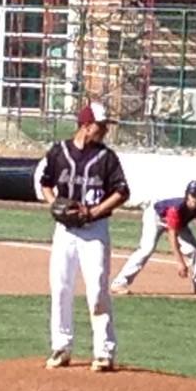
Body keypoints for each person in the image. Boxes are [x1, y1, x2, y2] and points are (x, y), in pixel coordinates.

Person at [39, 101, 130, 372]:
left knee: (98, 291)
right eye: (100, 126)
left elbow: (122, 192)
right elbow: (44, 183)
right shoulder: (59, 152)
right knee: (61, 287)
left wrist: (95, 212)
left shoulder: (107, 158)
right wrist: (53, 204)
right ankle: (61, 347)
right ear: (85, 125)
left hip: (94, 231)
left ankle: (103, 352)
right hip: (65, 231)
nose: (104, 131)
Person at [111, 180, 196, 296]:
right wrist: (180, 262)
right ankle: (119, 283)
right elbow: (172, 235)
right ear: (187, 195)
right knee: (146, 249)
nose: (195, 200)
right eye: (193, 196)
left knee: (194, 251)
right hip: (155, 217)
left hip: (180, 223)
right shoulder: (176, 208)